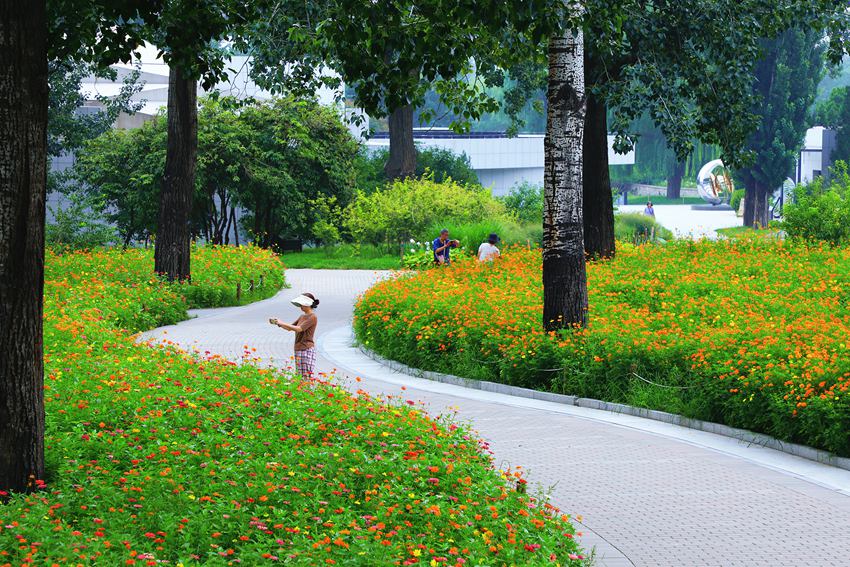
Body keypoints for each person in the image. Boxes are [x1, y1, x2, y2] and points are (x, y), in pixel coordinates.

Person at [269, 292, 319, 378]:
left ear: (307, 304)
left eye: (302, 304)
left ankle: (306, 391)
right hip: (298, 347)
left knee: (305, 376)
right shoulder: (302, 316)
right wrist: (278, 323)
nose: (300, 307)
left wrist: (282, 322)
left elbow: (299, 328)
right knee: (299, 375)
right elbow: (290, 328)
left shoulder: (313, 317)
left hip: (306, 348)